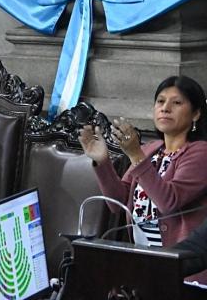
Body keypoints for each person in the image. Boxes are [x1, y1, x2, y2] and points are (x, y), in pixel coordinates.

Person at [78, 76, 207, 252]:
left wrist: (135, 154)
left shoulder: (201, 153)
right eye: (160, 101)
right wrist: (102, 161)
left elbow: (169, 202)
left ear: (196, 114)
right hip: (144, 259)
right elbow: (117, 204)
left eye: (176, 103)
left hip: (183, 266)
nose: (165, 108)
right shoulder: (151, 149)